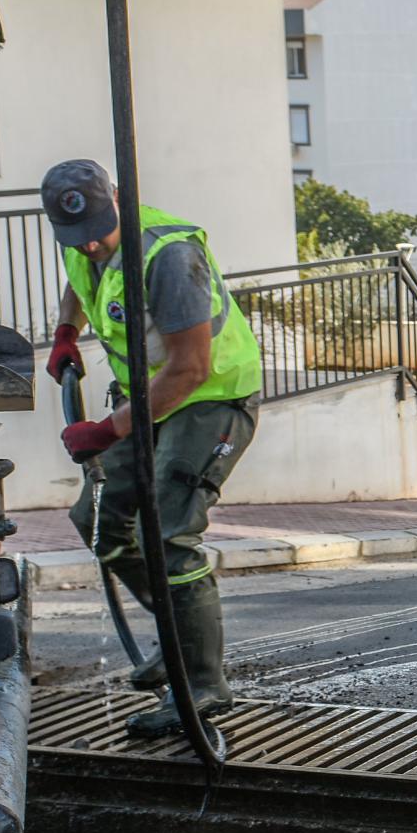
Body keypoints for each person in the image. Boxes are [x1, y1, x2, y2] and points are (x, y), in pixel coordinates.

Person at [40, 159, 263, 741]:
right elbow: (80, 279)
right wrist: (66, 332)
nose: (90, 240)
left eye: (97, 225)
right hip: (150, 398)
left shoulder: (169, 256)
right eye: (76, 234)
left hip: (210, 399)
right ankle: (176, 636)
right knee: (98, 521)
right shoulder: (83, 243)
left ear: (117, 198)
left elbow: (190, 369)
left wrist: (106, 431)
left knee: (166, 533)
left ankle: (202, 683)